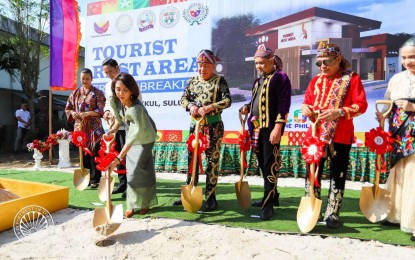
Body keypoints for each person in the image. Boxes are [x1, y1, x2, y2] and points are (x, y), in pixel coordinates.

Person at [300, 41, 367, 228]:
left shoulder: (352, 79)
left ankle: (333, 212)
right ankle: (313, 205)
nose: (322, 66)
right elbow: (307, 101)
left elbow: (361, 106)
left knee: (338, 173)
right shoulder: (316, 81)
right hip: (315, 135)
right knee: (313, 172)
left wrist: (340, 112)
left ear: (338, 59)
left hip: (340, 135)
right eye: (319, 63)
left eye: (326, 61)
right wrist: (305, 108)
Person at [172, 49, 232, 211]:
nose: (202, 69)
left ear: (213, 66)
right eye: (200, 65)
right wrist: (190, 106)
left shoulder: (219, 81)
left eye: (206, 65)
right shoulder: (192, 81)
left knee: (212, 161)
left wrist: (210, 107)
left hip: (214, 128)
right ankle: (190, 190)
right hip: (195, 127)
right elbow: (183, 99)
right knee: (193, 160)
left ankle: (211, 197)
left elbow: (227, 100)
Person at [240, 44, 292, 220]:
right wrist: (247, 107)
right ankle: (273, 196)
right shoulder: (258, 82)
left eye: (262, 63)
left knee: (271, 163)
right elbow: (256, 101)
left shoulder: (281, 78)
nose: (259, 67)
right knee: (263, 163)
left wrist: (278, 127)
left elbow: (284, 104)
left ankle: (267, 203)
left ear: (271, 61)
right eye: (256, 63)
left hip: (271, 129)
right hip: (256, 129)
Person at [376, 37, 415, 241]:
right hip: (399, 136)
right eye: (405, 57)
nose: (408, 61)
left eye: (413, 57)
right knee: (399, 173)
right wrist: (382, 114)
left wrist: (413, 107)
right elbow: (387, 102)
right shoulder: (396, 79)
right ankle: (396, 215)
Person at [108, 72, 158, 218]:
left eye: (125, 90)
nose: (121, 93)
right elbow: (120, 120)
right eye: (118, 89)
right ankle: (132, 204)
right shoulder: (116, 101)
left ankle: (145, 203)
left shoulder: (136, 109)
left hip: (145, 137)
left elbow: (130, 139)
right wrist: (112, 132)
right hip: (133, 133)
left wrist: (117, 159)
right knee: (132, 170)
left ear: (132, 91)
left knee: (139, 170)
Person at [65, 68, 106, 189]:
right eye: (83, 78)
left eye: (87, 78)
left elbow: (101, 110)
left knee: (94, 152)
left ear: (91, 79)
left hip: (94, 128)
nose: (85, 80)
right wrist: (73, 114)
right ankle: (86, 177)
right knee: (83, 153)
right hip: (80, 128)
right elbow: (68, 108)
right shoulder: (76, 92)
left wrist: (87, 113)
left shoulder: (98, 93)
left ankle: (95, 179)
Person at [102, 58, 128, 198]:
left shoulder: (126, 81)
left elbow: (128, 105)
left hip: (127, 126)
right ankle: (122, 183)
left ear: (117, 68)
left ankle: (130, 185)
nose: (109, 75)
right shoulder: (108, 85)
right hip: (114, 126)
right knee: (116, 154)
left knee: (126, 155)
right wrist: (106, 112)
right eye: (106, 73)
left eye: (110, 71)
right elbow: (108, 103)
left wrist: (118, 121)